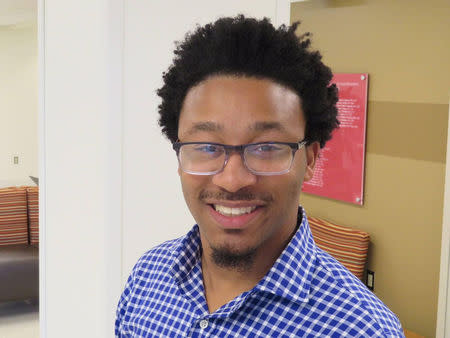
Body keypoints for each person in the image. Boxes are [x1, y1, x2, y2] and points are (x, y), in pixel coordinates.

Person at [115, 15, 404, 337]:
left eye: (266, 147)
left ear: (309, 158)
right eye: (207, 147)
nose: (232, 180)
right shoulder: (147, 277)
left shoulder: (361, 328)